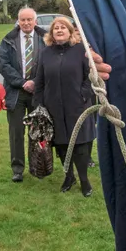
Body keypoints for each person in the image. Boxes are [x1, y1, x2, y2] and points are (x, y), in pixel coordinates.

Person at [32, 17, 97, 197]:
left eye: (63, 28)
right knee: (61, 145)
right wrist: (38, 104)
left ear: (70, 31)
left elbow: (90, 76)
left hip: (78, 106)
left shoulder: (81, 50)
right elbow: (40, 80)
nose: (59, 30)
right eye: (56, 28)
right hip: (53, 107)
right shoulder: (46, 53)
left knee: (80, 145)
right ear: (51, 34)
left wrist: (83, 94)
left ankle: (84, 180)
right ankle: (69, 177)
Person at [0, 7, 47, 182]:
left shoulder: (45, 38)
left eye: (29, 20)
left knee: (37, 132)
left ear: (35, 21)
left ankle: (38, 165)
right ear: (18, 21)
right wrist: (22, 82)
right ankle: (17, 169)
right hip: (15, 93)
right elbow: (4, 66)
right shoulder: (8, 40)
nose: (26, 23)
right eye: (23, 20)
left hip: (38, 92)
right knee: (16, 133)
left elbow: (49, 63)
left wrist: (36, 82)